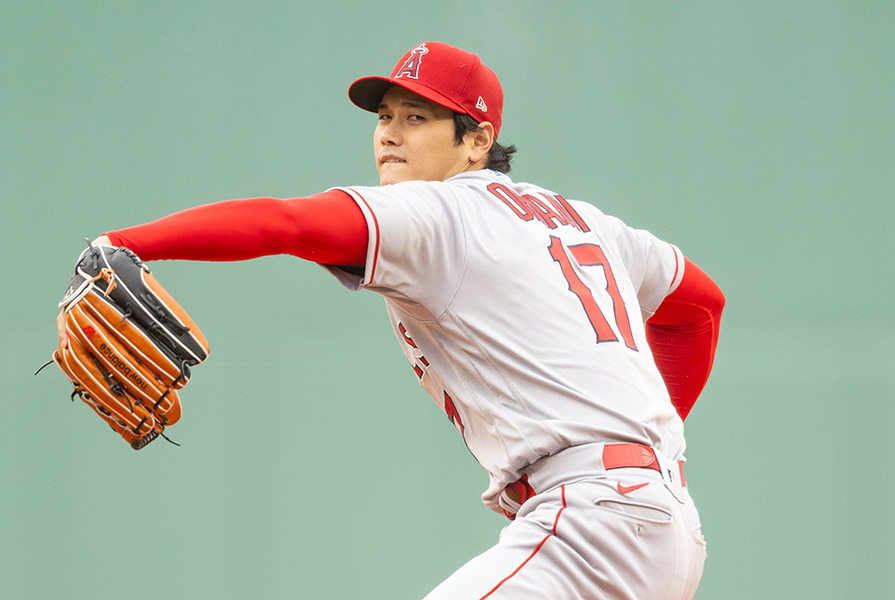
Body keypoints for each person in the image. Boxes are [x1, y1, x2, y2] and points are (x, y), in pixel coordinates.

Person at [57, 42, 724, 599]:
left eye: (419, 117)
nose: (390, 133)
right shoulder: (585, 222)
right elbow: (701, 305)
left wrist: (124, 241)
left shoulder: (436, 215)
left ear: (477, 141)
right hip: (659, 524)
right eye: (385, 115)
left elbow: (285, 223)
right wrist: (648, 447)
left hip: (591, 528)